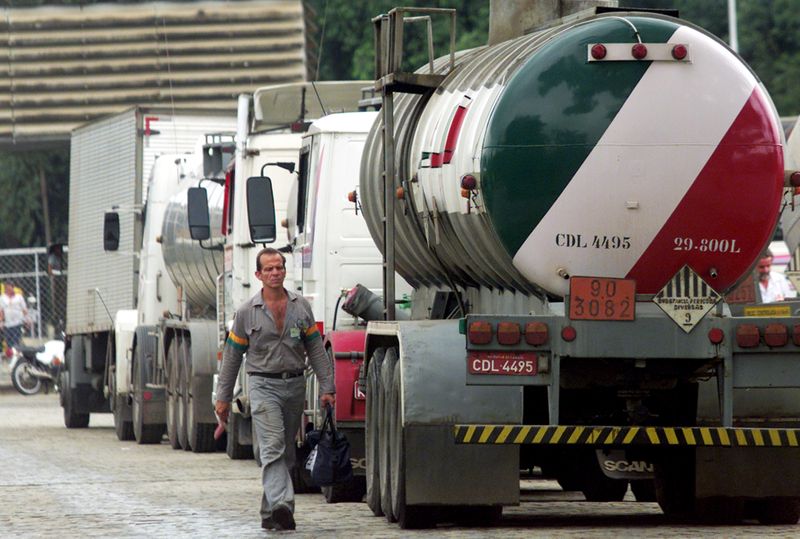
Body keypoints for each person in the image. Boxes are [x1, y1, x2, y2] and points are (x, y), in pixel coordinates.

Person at [215, 247, 335, 532]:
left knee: (287, 453)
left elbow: (316, 349)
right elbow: (232, 357)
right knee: (272, 448)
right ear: (258, 275)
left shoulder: (300, 306)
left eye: (279, 267)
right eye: (268, 269)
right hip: (262, 384)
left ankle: (270, 513)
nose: (275, 273)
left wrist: (327, 386)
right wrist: (222, 397)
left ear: (284, 270)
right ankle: (283, 505)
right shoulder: (246, 313)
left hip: (294, 385)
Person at [0, 282, 28, 357]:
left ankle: (17, 355)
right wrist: (1, 322)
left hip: (18, 322)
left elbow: (24, 309)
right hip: (7, 323)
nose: (8, 289)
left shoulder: (19, 297)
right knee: (8, 341)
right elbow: (1, 311)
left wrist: (26, 319)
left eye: (10, 287)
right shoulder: (2, 298)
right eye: (6, 288)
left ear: (13, 288)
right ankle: (12, 355)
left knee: (15, 340)